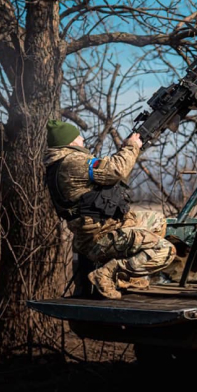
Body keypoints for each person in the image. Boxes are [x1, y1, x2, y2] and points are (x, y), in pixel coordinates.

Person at [43, 121, 176, 299]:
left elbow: (107, 174)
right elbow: (115, 170)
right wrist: (131, 147)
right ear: (70, 142)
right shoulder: (73, 162)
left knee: (157, 220)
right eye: (78, 136)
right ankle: (107, 274)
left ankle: (127, 277)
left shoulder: (63, 163)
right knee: (165, 251)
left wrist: (126, 150)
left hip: (104, 227)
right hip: (99, 238)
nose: (82, 139)